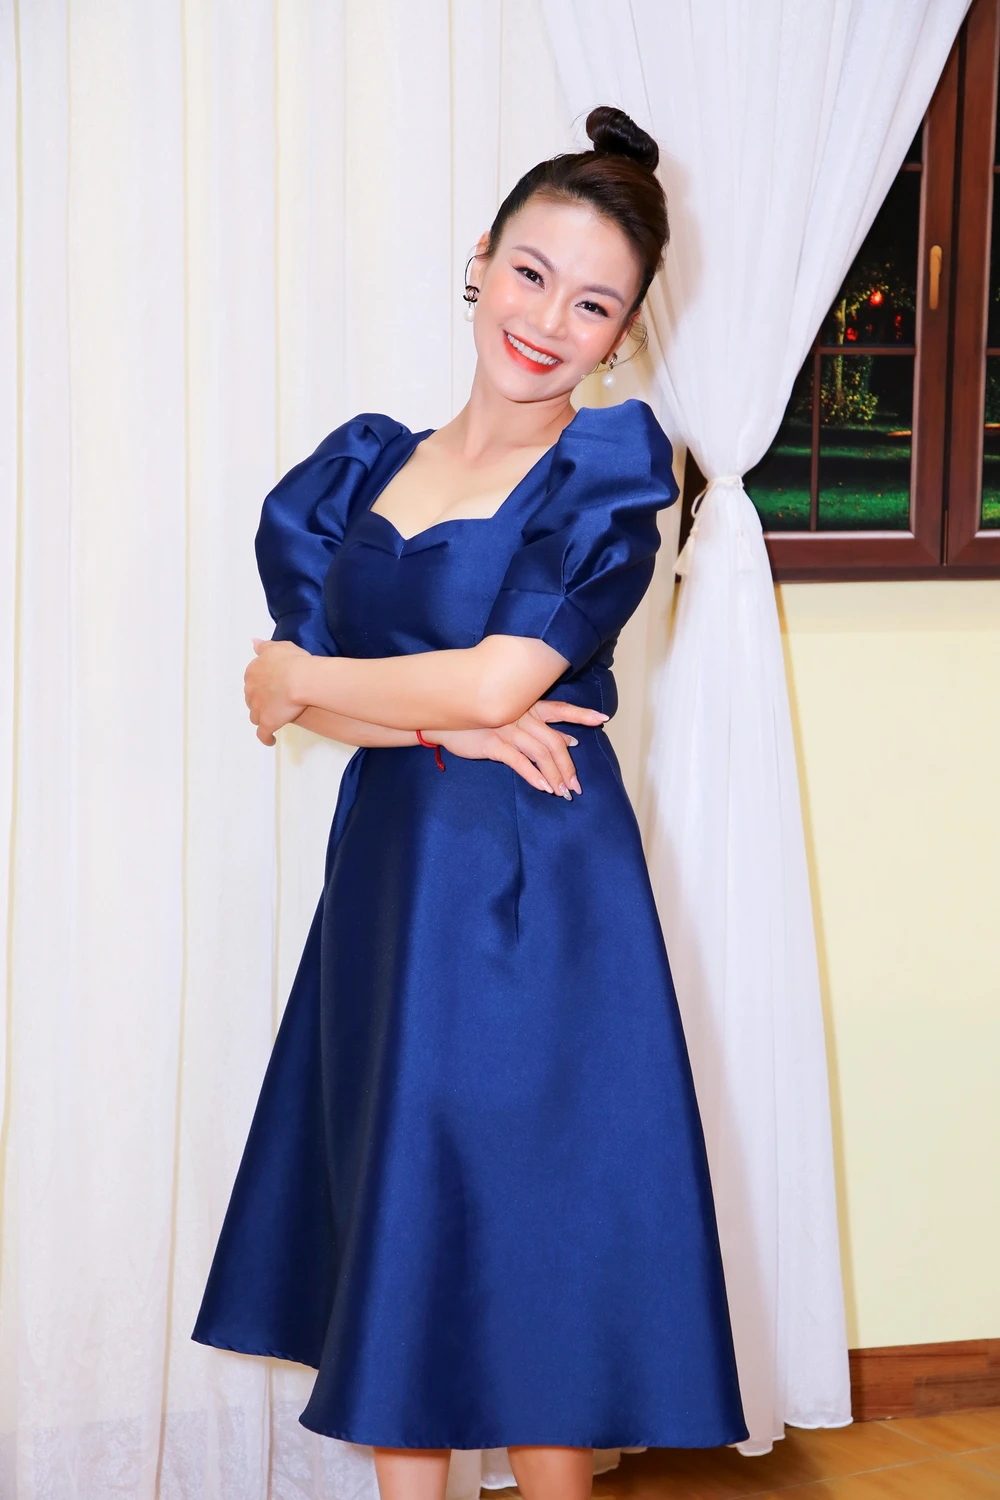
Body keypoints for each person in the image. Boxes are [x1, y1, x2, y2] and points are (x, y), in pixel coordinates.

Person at [192, 105, 748, 1500]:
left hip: (540, 889)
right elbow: (305, 705)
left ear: (622, 334)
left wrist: (330, 679)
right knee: (408, 1223)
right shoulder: (357, 469)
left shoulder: (607, 473)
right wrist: (436, 714)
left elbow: (497, 678)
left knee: (538, 1239)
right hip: (392, 884)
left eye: (592, 303)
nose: (549, 320)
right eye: (532, 274)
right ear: (481, 261)